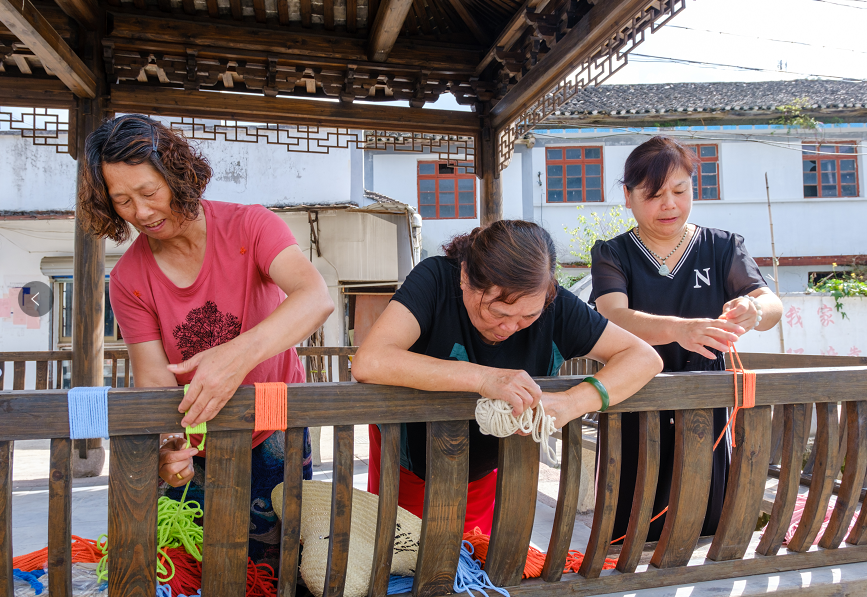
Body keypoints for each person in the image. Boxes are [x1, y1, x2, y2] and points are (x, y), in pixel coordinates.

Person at [77, 114, 334, 563]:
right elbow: (155, 380)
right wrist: (167, 447)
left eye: (149, 192)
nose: (141, 213)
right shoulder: (128, 278)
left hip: (275, 424)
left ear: (178, 174)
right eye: (122, 201)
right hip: (195, 439)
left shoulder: (251, 225)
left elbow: (315, 298)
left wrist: (235, 357)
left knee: (281, 564)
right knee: (197, 565)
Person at [352, 219, 662, 533]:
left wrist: (572, 402)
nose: (510, 328)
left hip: (489, 464)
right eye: (498, 313)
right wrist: (484, 379)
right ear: (465, 277)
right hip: (409, 459)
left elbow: (644, 357)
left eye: (529, 315)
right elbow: (370, 361)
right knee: (403, 548)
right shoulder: (435, 279)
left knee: (477, 552)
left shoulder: (557, 305)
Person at [590, 135, 783, 543]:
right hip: (633, 403)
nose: (669, 205)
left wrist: (754, 309)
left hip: (705, 407)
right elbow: (612, 315)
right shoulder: (613, 253)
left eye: (680, 191)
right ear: (628, 196)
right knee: (629, 523)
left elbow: (771, 305)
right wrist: (680, 330)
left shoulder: (723, 247)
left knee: (705, 518)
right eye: (653, 194)